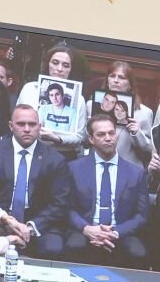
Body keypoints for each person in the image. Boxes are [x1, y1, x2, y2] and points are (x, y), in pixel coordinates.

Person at [63, 114, 150, 266]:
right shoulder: (74, 169)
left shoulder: (136, 173)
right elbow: (66, 208)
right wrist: (86, 228)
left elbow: (141, 215)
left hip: (121, 231)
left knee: (138, 253)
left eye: (111, 133)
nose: (108, 138)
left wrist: (115, 233)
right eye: (101, 134)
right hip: (85, 228)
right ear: (91, 139)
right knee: (74, 246)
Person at [0, 103, 71, 256]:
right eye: (21, 124)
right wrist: (4, 220)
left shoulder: (55, 159)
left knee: (53, 248)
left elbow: (60, 203)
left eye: (32, 124)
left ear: (39, 127)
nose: (27, 129)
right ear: (11, 126)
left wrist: (31, 227)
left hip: (40, 222)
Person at [17, 42, 87, 156]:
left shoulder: (79, 99)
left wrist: (57, 138)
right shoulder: (29, 88)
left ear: (71, 69)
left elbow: (80, 137)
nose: (59, 69)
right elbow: (16, 122)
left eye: (65, 65)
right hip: (30, 151)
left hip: (63, 155)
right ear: (47, 64)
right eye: (55, 63)